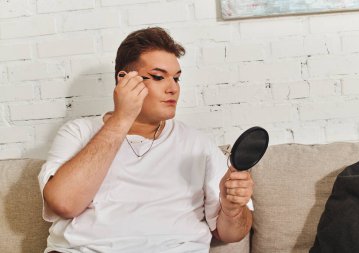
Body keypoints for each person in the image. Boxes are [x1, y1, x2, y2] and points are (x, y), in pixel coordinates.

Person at [38, 27, 254, 253]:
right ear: (124, 80)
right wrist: (122, 118)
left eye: (177, 78)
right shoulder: (78, 132)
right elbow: (63, 204)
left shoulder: (199, 144)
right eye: (159, 77)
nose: (173, 88)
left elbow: (232, 234)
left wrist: (232, 210)